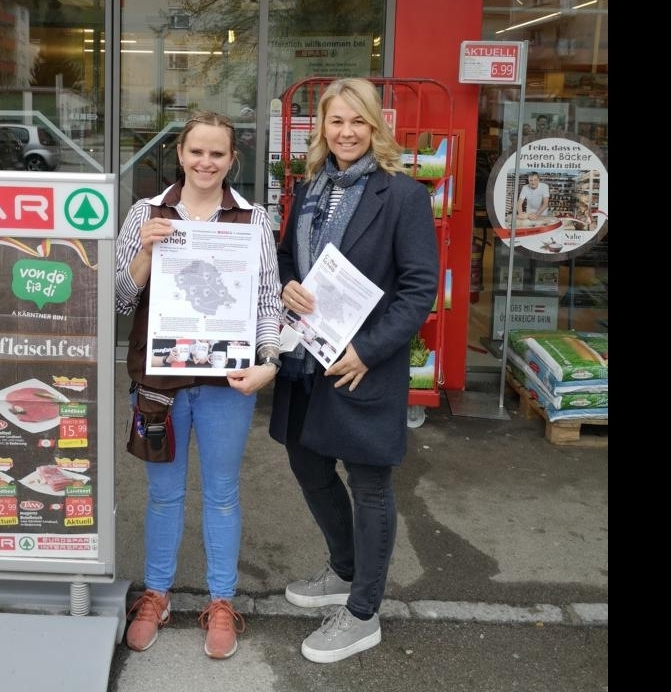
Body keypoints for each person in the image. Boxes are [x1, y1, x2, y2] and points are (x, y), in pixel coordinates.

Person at [267, 78, 439, 664]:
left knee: (369, 485)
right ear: (322, 127)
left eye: (357, 122)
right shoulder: (310, 189)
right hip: (305, 358)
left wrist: (369, 351)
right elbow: (289, 253)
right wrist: (289, 280)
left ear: (375, 127)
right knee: (308, 463)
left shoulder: (403, 196)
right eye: (336, 121)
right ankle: (344, 570)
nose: (346, 132)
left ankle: (363, 611)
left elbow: (419, 290)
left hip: (362, 365)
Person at [115, 111, 283, 660]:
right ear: (180, 155)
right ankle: (157, 594)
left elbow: (265, 301)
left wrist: (268, 360)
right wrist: (144, 250)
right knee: (163, 495)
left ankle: (220, 599)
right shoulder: (146, 212)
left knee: (222, 493)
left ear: (232, 160)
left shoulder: (253, 220)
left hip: (224, 381)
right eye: (196, 152)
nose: (205, 162)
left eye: (217, 154)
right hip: (159, 380)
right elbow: (118, 299)